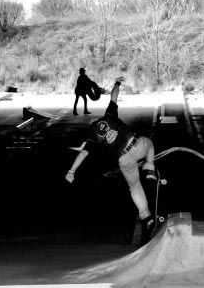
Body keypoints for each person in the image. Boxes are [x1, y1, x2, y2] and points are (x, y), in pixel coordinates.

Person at [65, 77, 158, 234]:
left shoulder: (92, 138)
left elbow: (83, 153)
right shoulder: (109, 116)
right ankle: (149, 168)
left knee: (135, 187)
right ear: (98, 121)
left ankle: (146, 216)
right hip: (136, 145)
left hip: (124, 159)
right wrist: (117, 83)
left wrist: (71, 171)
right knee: (149, 143)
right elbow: (114, 96)